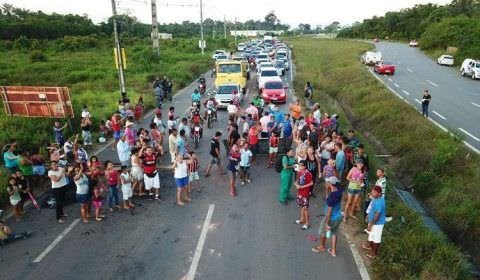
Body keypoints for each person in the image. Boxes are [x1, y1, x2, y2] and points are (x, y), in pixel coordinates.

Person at [312, 177, 343, 257]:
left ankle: (322, 247)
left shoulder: (331, 197)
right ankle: (333, 251)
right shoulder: (339, 191)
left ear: (330, 184)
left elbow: (329, 212)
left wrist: (326, 223)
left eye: (328, 183)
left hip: (330, 218)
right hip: (338, 217)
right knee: (334, 233)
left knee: (322, 231)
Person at [362, 185, 386, 259]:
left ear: (379, 193)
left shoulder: (379, 202)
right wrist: (368, 216)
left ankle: (374, 254)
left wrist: (370, 225)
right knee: (372, 236)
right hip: (372, 221)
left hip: (377, 224)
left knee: (376, 239)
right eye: (372, 191)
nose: (372, 193)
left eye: (374, 192)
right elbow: (372, 208)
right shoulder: (376, 198)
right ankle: (371, 248)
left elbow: (377, 216)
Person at [295, 160, 313, 230]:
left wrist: (302, 187)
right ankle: (302, 219)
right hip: (300, 192)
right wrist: (296, 184)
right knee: (301, 206)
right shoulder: (299, 172)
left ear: (305, 166)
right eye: (299, 165)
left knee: (305, 208)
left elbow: (311, 183)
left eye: (301, 165)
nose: (299, 167)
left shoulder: (308, 173)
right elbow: (297, 181)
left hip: (305, 193)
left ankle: (307, 223)